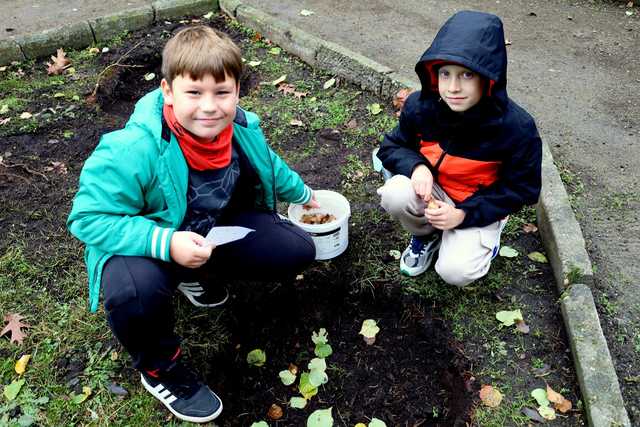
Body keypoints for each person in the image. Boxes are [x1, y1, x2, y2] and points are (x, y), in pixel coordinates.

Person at [67, 25, 318, 423]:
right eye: (194, 93)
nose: (209, 107)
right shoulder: (132, 149)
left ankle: (192, 273)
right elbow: (86, 219)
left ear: (237, 91)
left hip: (206, 231)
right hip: (143, 246)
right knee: (134, 292)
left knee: (297, 249)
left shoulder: (241, 127)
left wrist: (303, 194)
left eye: (222, 93)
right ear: (168, 91)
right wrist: (166, 244)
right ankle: (160, 369)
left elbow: (272, 164)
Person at [376, 10, 542, 285]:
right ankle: (426, 235)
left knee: (455, 272)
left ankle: (483, 243)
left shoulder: (516, 128)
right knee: (395, 193)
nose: (453, 87)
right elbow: (392, 146)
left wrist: (462, 214)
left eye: (466, 75)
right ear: (434, 74)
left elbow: (521, 190)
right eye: (445, 74)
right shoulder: (420, 106)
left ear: (488, 77)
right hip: (435, 195)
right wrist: (416, 167)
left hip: (477, 205)